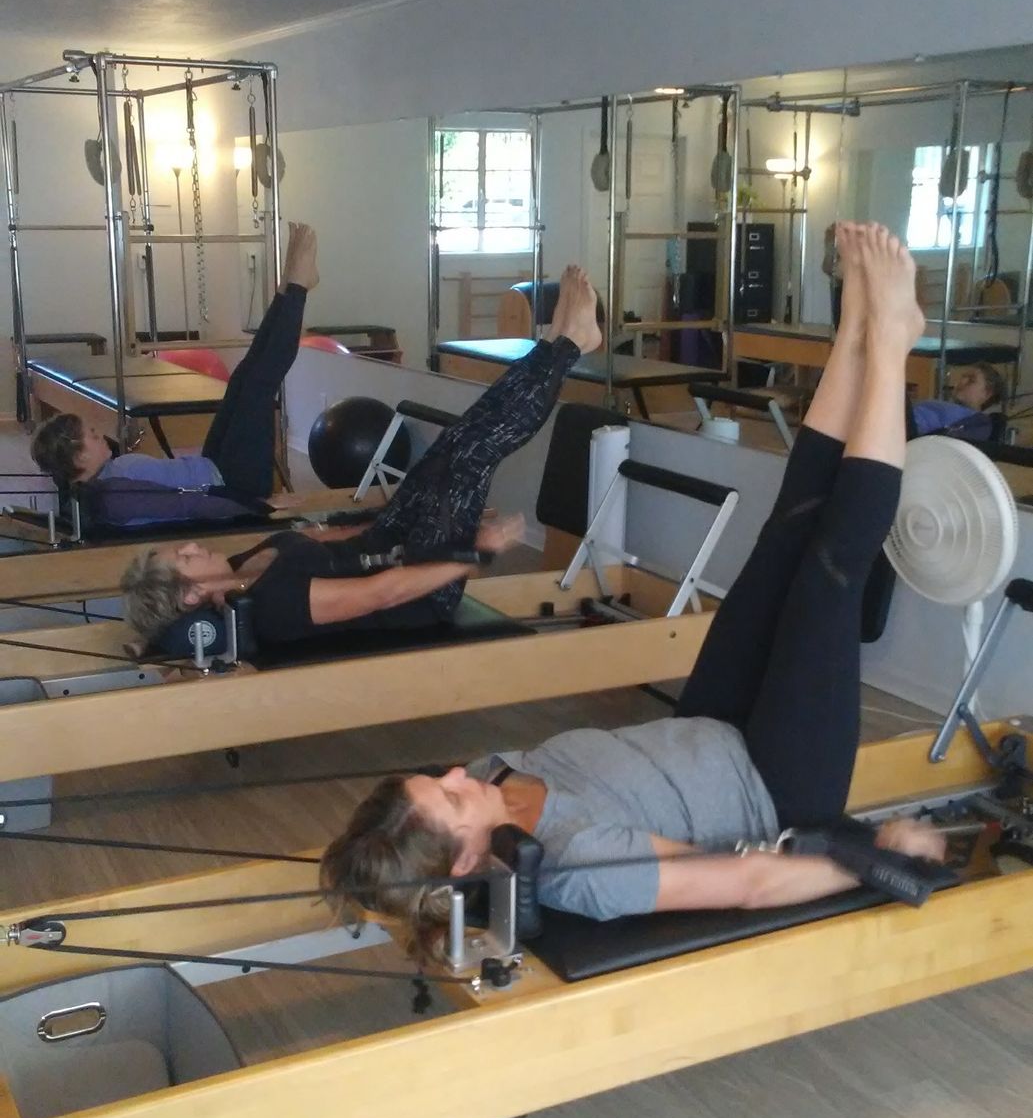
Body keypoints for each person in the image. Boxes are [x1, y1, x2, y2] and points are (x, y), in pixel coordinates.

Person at [321, 222, 947, 960]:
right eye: (451, 797)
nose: (457, 771)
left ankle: (855, 329)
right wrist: (872, 857)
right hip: (773, 781)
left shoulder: (494, 778)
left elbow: (474, 795)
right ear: (465, 860)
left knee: (783, 535)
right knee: (829, 571)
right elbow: (744, 881)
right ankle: (891, 349)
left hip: (709, 725)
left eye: (435, 779)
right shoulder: (583, 868)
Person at [121, 263, 603, 650]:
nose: (191, 547)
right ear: (192, 595)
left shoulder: (242, 565)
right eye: (184, 559)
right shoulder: (272, 606)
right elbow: (382, 593)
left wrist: (379, 515)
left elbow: (322, 539)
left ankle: (556, 345)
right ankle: (568, 346)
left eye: (181, 549)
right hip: (419, 586)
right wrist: (474, 552)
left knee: (454, 442)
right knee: (473, 452)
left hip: (389, 539)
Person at [30, 221, 323, 528]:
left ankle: (287, 290)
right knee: (259, 383)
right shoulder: (117, 488)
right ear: (80, 459)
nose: (99, 435)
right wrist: (257, 506)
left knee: (241, 381)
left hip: (214, 468)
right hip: (234, 482)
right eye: (91, 436)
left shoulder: (108, 480)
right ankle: (297, 288)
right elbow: (188, 505)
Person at [909, 362, 1006, 442]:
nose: (962, 381)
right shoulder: (940, 405)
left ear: (987, 393)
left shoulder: (978, 423)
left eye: (971, 380)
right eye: (963, 377)